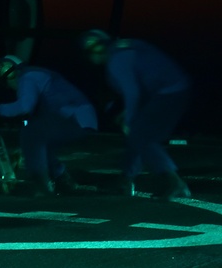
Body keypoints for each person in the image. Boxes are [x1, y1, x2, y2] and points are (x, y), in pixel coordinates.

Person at [81, 29, 192, 200]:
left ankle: (175, 183)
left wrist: (129, 118)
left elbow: (132, 92)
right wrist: (128, 113)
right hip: (166, 92)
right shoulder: (121, 49)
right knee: (137, 134)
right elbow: (141, 85)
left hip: (169, 93)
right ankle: (125, 180)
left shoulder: (116, 59)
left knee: (140, 135)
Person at [0, 55, 97, 196]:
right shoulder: (35, 75)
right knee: (39, 139)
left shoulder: (27, 77)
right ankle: (63, 182)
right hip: (80, 118)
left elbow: (24, 107)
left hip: (76, 118)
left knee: (30, 133)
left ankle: (41, 185)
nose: (11, 86)